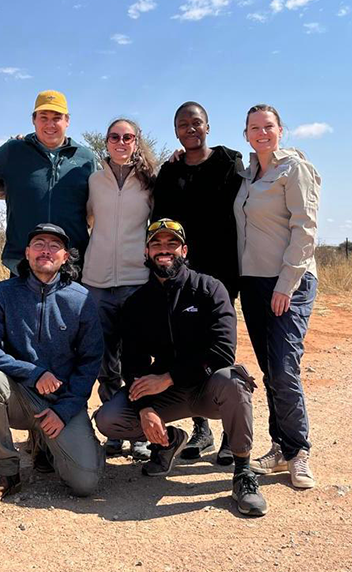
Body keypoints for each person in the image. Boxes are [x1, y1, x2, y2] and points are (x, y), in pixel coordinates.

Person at [94, 219, 267, 517]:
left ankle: (243, 473)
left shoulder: (210, 289)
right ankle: (170, 442)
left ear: (184, 250)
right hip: (166, 396)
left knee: (234, 381)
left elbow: (223, 352)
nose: (165, 250)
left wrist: (169, 377)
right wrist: (146, 406)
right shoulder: (137, 303)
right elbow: (132, 361)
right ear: (147, 253)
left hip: (207, 388)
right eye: (157, 245)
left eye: (171, 244)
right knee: (109, 418)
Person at [0, 224, 104, 505]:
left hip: (60, 401)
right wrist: (34, 372)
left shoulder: (81, 299)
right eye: (39, 243)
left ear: (66, 257)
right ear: (27, 253)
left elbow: (90, 362)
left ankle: (48, 444)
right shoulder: (4, 293)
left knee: (85, 482)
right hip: (19, 395)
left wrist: (64, 411)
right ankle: (5, 471)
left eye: (54, 246)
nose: (46, 250)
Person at [153, 101, 246, 464]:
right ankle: (200, 429)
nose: (190, 129)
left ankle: (228, 433)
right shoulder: (169, 172)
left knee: (221, 347)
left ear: (207, 126)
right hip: (181, 274)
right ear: (175, 131)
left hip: (223, 273)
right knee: (184, 346)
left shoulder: (228, 162)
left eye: (196, 123)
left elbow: (259, 171)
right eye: (183, 124)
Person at [235, 104, 321, 489]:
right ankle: (279, 447)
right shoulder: (248, 172)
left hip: (290, 281)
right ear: (246, 133)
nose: (262, 133)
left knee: (285, 367)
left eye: (268, 126)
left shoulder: (295, 169)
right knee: (271, 369)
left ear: (281, 130)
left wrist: (286, 284)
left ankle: (298, 451)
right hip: (253, 281)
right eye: (254, 128)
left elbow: (305, 228)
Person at [81, 118, 157, 462]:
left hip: (137, 281)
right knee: (103, 359)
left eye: (128, 137)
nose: (121, 142)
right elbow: (85, 219)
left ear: (136, 142)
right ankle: (114, 429)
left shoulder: (150, 182)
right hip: (96, 281)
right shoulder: (94, 181)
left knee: (136, 358)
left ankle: (138, 432)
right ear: (106, 142)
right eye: (115, 136)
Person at [0, 90, 99, 275]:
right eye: (43, 117)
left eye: (57, 118)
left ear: (67, 121)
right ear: (33, 120)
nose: (50, 124)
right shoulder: (13, 150)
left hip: (72, 264)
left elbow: (96, 202)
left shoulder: (86, 158)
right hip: (23, 262)